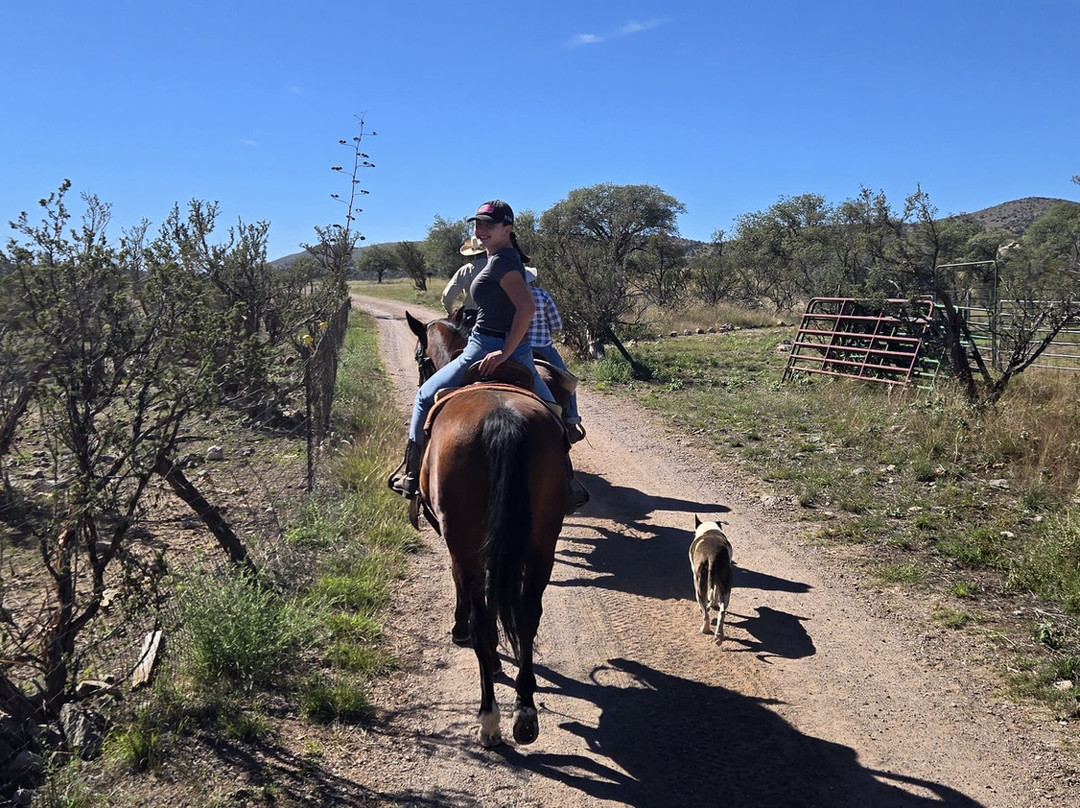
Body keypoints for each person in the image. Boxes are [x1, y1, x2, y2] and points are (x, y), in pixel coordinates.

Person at [388, 199, 589, 511]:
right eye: (477, 224)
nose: (480, 230)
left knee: (425, 397)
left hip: (484, 347)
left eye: (488, 225)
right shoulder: (503, 259)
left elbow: (527, 308)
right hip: (511, 349)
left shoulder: (501, 264)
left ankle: (413, 476)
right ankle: (566, 481)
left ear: (507, 228)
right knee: (552, 412)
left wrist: (504, 352)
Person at [525, 266, 586, 443]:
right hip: (544, 347)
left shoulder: (509, 296)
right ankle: (572, 420)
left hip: (518, 347)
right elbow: (557, 324)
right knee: (568, 381)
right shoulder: (543, 296)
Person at [441, 236, 486, 322]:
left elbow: (447, 297)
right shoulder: (499, 266)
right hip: (499, 317)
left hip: (472, 315)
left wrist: (451, 313)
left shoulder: (466, 270)